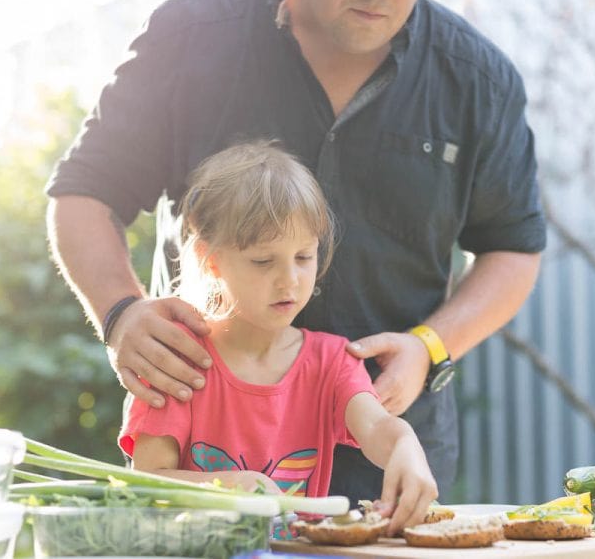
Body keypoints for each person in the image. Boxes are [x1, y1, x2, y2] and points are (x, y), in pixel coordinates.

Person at [46, 0, 545, 504]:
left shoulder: (477, 79)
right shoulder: (191, 36)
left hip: (387, 467)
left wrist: (430, 347)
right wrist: (121, 314)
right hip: (202, 470)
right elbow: (84, 192)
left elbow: (514, 251)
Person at [119, 141, 437, 534]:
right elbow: (145, 484)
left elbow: (376, 429)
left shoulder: (333, 362)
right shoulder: (174, 362)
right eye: (263, 261)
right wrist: (225, 487)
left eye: (304, 257)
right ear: (211, 259)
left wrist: (406, 446)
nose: (290, 280)